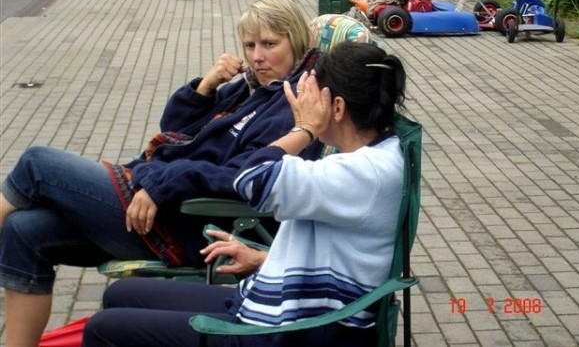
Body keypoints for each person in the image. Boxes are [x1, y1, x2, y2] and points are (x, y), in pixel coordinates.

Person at [0, 0, 324, 347]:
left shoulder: (293, 104)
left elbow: (245, 175)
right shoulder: (256, 88)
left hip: (189, 222)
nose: (257, 56)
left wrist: (162, 184)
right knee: (23, 230)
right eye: (249, 45)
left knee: (38, 164)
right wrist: (207, 86)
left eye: (269, 44)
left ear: (295, 40)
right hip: (161, 199)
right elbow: (174, 128)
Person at [82, 41, 408, 347]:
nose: (301, 103)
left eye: (310, 97)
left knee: (103, 329)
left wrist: (304, 129)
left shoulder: (361, 173)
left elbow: (251, 177)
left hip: (287, 331)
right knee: (120, 294)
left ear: (336, 107)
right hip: (285, 303)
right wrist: (262, 259)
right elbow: (349, 255)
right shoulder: (380, 154)